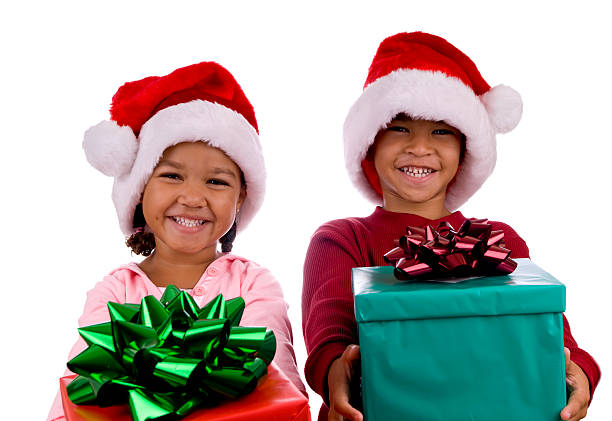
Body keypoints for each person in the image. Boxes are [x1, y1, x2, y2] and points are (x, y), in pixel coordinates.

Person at [302, 32, 600, 421]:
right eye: (399, 127)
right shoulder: (342, 239)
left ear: (464, 153)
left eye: (441, 131)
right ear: (370, 145)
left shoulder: (499, 238)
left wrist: (582, 373)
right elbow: (329, 337)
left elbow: (551, 335)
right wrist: (333, 372)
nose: (420, 147)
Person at [47, 61, 305, 420]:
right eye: (172, 176)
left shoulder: (253, 283)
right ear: (139, 191)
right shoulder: (116, 290)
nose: (193, 197)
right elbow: (77, 393)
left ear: (241, 197)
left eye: (216, 182)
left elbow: (279, 386)